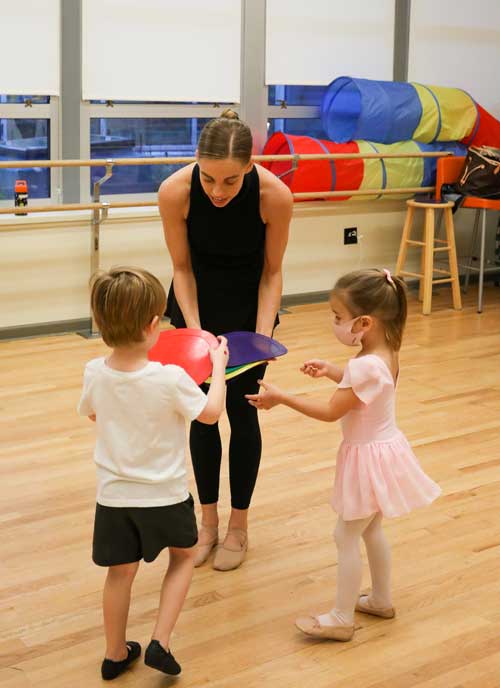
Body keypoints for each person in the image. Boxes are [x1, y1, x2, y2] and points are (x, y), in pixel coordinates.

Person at [246, 268, 441, 641]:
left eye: (338, 317)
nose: (334, 324)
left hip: (367, 459)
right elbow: (364, 390)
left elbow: (332, 412)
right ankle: (380, 599)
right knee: (370, 529)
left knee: (346, 535)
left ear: (363, 322)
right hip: (384, 453)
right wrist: (335, 371)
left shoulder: (365, 364)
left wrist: (282, 398)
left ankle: (340, 618)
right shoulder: (385, 352)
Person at [77, 267, 228, 679]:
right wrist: (217, 368)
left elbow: (92, 412)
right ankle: (160, 641)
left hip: (114, 498)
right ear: (153, 324)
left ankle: (114, 653)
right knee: (183, 558)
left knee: (119, 573)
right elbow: (210, 415)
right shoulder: (171, 378)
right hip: (165, 495)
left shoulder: (95, 372)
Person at [158, 109, 293, 570]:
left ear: (250, 168)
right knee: (203, 415)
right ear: (196, 162)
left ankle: (239, 527)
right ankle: (207, 524)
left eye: (231, 181)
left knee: (243, 411)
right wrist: (194, 333)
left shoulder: (275, 196)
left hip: (249, 305)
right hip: (195, 303)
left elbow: (272, 273)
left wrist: (260, 338)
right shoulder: (174, 192)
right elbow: (181, 268)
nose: (218, 191)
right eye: (210, 178)